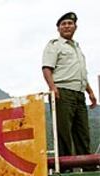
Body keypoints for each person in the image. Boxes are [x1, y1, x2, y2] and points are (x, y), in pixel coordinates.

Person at [42, 12, 97, 157]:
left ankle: (88, 167)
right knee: (63, 132)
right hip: (63, 92)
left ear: (75, 27)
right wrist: (53, 88)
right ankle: (65, 170)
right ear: (58, 29)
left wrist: (90, 92)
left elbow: (81, 74)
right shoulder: (55, 45)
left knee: (83, 132)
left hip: (79, 94)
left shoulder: (77, 48)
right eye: (63, 24)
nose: (67, 26)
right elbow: (47, 68)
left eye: (70, 23)